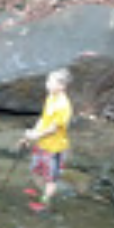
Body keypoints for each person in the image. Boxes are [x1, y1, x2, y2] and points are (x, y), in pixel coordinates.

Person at [22, 68, 73, 212]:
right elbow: (43, 119)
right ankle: (40, 190)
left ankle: (45, 202)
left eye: (51, 81)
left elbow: (53, 129)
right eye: (48, 80)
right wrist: (31, 134)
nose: (47, 84)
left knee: (51, 178)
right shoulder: (51, 97)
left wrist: (34, 136)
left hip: (54, 148)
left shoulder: (63, 106)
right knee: (35, 170)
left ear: (62, 86)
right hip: (41, 144)